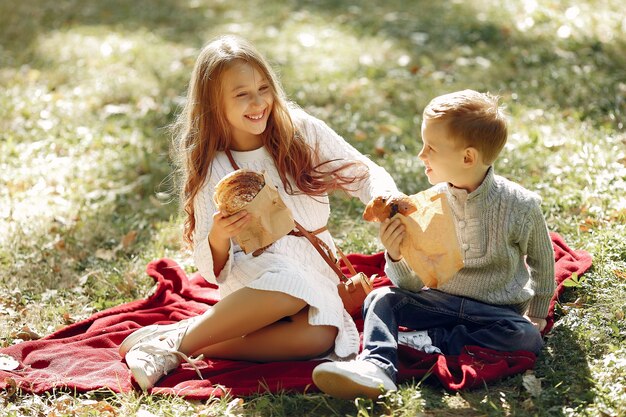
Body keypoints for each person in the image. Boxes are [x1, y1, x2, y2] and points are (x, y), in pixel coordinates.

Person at [118, 35, 400, 391]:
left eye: (264, 88)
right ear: (213, 105)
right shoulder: (214, 167)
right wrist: (220, 235)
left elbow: (363, 172)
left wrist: (385, 194)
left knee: (320, 337)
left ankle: (177, 335)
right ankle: (174, 347)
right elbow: (212, 268)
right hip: (254, 272)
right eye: (241, 95)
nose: (258, 102)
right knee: (289, 285)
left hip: (312, 261)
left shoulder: (301, 131)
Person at [312, 89, 556, 399]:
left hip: (494, 312)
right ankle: (377, 366)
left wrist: (538, 312)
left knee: (526, 338)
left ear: (467, 157)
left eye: (430, 147)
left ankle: (425, 340)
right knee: (381, 299)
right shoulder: (427, 206)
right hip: (440, 302)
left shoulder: (521, 206)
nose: (421, 155)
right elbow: (413, 284)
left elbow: (542, 260)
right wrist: (396, 255)